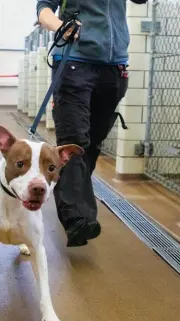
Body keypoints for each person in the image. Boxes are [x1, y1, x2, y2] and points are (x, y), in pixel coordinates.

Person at [36, 0, 147, 247]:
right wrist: (60, 26)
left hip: (114, 67)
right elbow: (43, 8)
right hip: (75, 60)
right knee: (75, 140)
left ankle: (71, 199)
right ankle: (76, 217)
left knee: (93, 143)